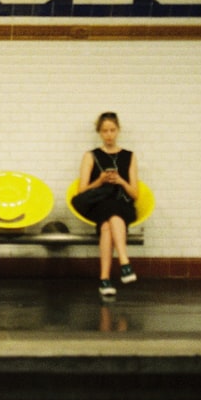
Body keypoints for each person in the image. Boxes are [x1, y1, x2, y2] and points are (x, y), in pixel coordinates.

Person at [77, 112, 139, 297]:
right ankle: (124, 263)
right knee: (108, 210)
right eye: (105, 131)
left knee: (107, 225)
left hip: (123, 205)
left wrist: (120, 180)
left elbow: (134, 194)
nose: (109, 134)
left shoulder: (130, 156)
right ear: (99, 133)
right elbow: (81, 191)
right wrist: (101, 180)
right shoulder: (91, 155)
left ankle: (104, 280)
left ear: (118, 130)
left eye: (112, 130)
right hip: (98, 204)